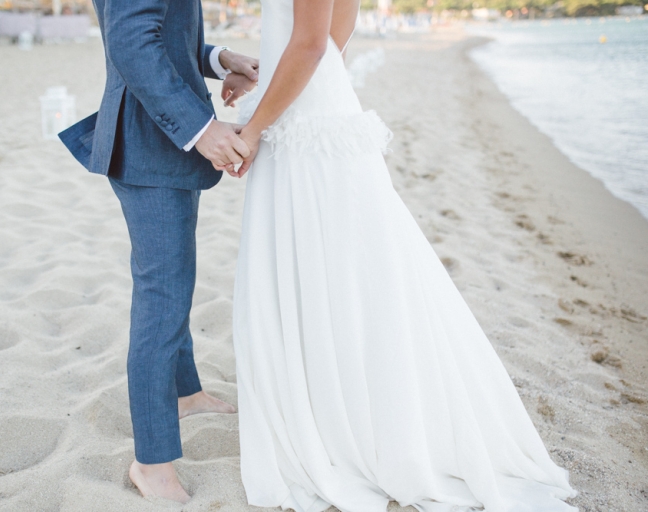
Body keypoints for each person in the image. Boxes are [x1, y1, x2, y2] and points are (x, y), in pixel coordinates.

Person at [230, 0, 579, 510]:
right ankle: (349, 404)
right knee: (350, 269)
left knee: (333, 269)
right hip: (317, 102)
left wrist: (254, 127)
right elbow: (332, 36)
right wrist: (275, 92)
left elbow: (308, 43)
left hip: (306, 112)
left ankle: (344, 417)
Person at [58, 0, 259, 503]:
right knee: (162, 295)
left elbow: (165, 33)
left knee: (173, 279)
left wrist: (219, 59)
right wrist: (201, 129)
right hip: (151, 142)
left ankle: (185, 393)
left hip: (159, 143)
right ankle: (151, 463)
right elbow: (129, 41)